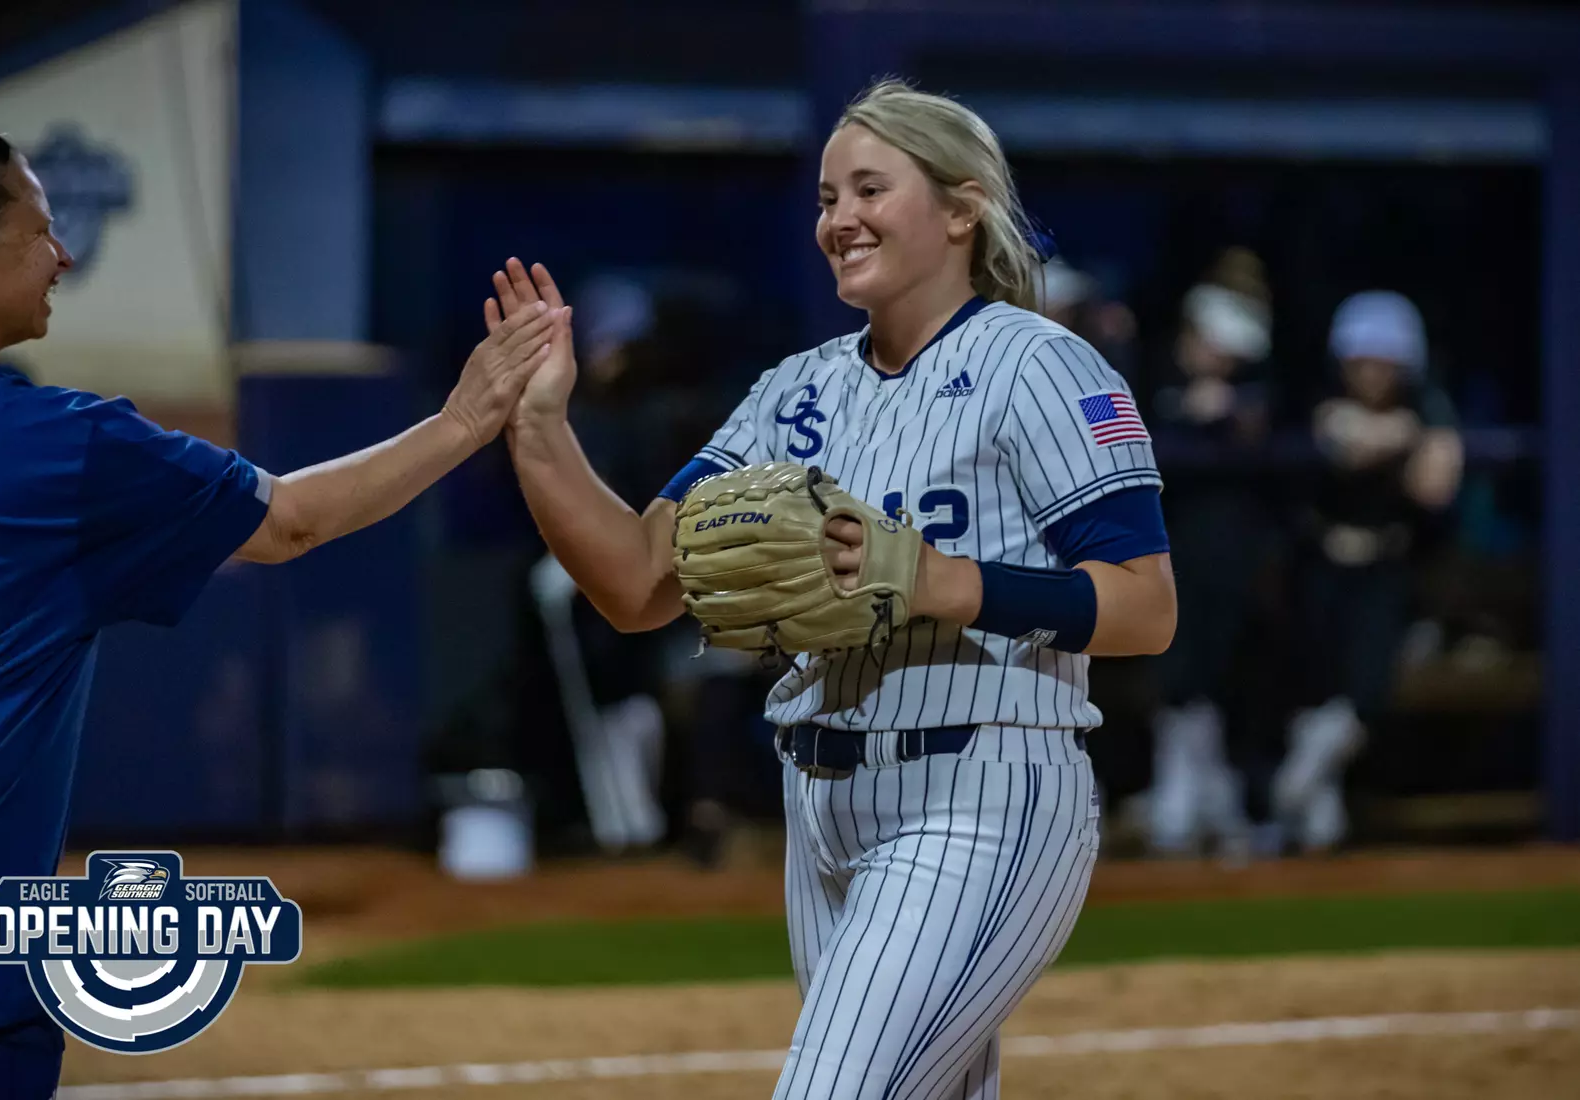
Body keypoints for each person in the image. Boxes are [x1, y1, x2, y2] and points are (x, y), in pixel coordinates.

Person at [489, 81, 1177, 1099]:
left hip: (980, 788)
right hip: (819, 805)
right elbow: (638, 582)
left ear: (960, 207)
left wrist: (948, 582)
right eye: (824, 197)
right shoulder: (795, 389)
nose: (838, 219)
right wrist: (541, 430)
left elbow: (1145, 605)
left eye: (868, 188)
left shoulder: (1040, 366)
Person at [0, 125, 558, 1096]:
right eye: (41, 229)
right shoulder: (58, 449)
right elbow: (292, 519)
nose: (63, 254)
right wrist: (466, 419)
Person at [1276, 290, 1463, 851]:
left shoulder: (1429, 405)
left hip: (1384, 568)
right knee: (1310, 687)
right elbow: (1342, 440)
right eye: (1362, 359)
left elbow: (1437, 484)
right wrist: (1397, 438)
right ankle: (1316, 815)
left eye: (1385, 360)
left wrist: (1405, 436)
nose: (1373, 371)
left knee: (1362, 696)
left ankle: (1302, 783)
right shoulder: (1321, 397)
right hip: (1319, 564)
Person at [1144, 248, 1275, 858]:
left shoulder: (1258, 390)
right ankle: (1180, 789)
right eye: (1211, 340)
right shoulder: (1146, 377)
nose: (1221, 353)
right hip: (1164, 554)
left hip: (1235, 561)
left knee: (1229, 674)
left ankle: (1219, 794)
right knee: (1177, 670)